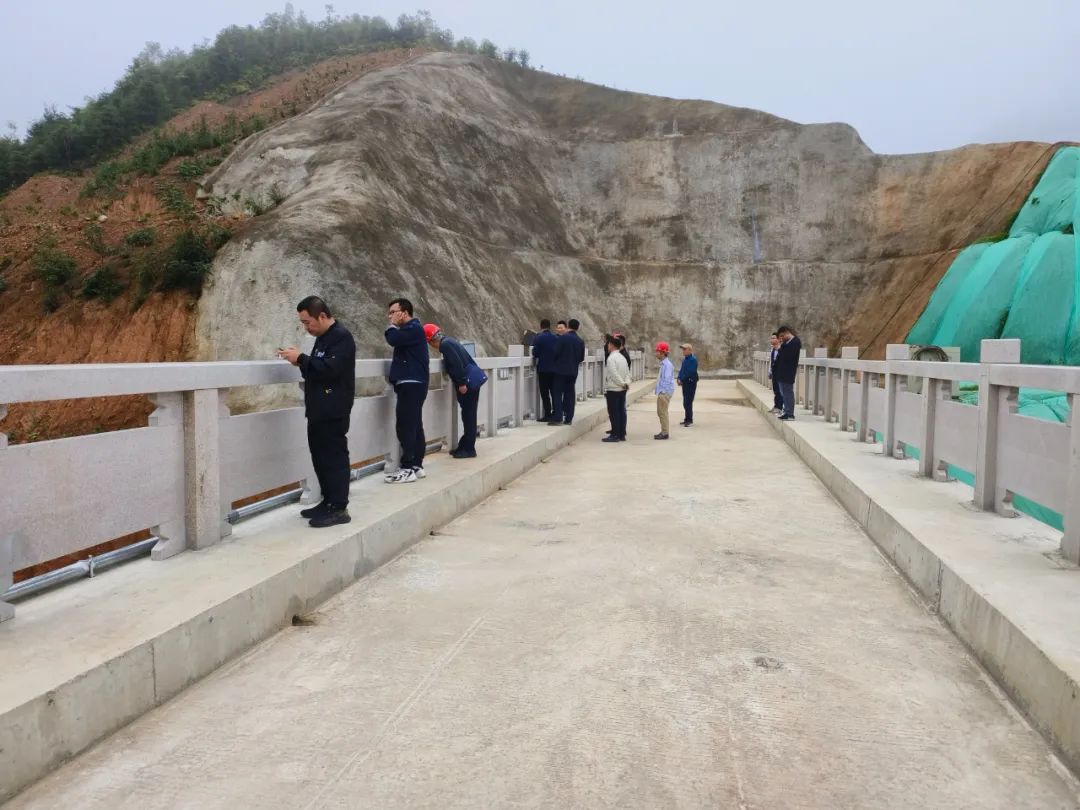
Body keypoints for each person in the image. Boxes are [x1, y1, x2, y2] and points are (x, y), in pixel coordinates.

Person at [277, 296, 356, 528]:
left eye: (307, 322)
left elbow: (331, 370)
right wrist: (301, 363)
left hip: (333, 409)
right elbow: (316, 371)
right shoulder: (323, 338)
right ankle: (328, 501)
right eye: (303, 323)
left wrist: (302, 358)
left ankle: (339, 508)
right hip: (318, 410)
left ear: (322, 316)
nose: (306, 327)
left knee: (334, 458)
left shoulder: (341, 337)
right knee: (320, 458)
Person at [424, 324, 488, 458]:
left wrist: (462, 383)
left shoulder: (445, 346)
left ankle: (469, 449)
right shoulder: (450, 341)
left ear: (432, 341)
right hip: (471, 380)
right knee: (469, 415)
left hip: (466, 384)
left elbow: (456, 365)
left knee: (468, 416)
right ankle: (464, 445)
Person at [384, 298, 429, 483]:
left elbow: (392, 339)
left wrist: (392, 326)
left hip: (411, 383)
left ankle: (407, 468)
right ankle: (417, 465)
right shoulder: (412, 330)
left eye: (393, 312)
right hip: (414, 383)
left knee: (406, 426)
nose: (390, 317)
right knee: (415, 425)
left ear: (404, 312)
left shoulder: (412, 329)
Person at [549, 318, 585, 426]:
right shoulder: (580, 341)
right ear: (578, 328)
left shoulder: (563, 338)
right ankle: (569, 419)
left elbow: (555, 352)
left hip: (560, 371)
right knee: (570, 395)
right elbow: (581, 358)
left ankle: (558, 418)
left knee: (557, 393)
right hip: (573, 371)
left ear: (568, 326)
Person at [602, 335, 631, 443]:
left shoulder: (611, 358)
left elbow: (614, 374)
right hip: (622, 389)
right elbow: (628, 373)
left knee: (614, 412)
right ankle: (621, 434)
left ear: (612, 345)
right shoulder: (622, 357)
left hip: (613, 389)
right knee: (621, 411)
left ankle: (615, 435)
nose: (607, 346)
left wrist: (622, 384)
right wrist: (626, 383)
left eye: (608, 344)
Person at [531, 319, 557, 422]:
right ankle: (556, 413)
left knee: (545, 393)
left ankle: (548, 414)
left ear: (541, 326)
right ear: (549, 326)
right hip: (555, 369)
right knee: (554, 392)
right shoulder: (556, 338)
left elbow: (535, 353)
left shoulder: (538, 338)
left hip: (543, 369)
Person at [774, 325, 802, 421]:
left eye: (782, 336)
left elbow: (788, 356)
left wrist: (780, 348)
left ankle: (790, 414)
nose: (781, 339)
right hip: (782, 372)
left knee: (788, 393)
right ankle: (786, 411)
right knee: (783, 393)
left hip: (788, 372)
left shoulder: (795, 342)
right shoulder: (787, 343)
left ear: (787, 332)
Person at [653, 341, 675, 440]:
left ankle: (665, 433)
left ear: (662, 353)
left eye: (657, 351)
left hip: (664, 392)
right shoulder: (664, 364)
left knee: (662, 412)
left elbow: (666, 380)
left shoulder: (667, 365)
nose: (656, 353)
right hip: (663, 392)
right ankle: (664, 431)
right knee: (661, 412)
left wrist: (662, 392)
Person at [677, 343, 699, 426]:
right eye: (683, 349)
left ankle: (689, 420)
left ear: (690, 350)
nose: (683, 351)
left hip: (690, 383)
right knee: (685, 402)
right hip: (685, 383)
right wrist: (679, 378)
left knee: (688, 402)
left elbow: (690, 372)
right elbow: (682, 370)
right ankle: (686, 419)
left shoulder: (693, 360)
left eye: (685, 349)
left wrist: (682, 379)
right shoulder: (685, 360)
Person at [768, 333, 783, 414]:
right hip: (774, 372)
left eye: (774, 338)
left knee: (780, 390)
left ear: (778, 339)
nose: (772, 340)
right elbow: (771, 361)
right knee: (775, 390)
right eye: (771, 338)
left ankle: (780, 407)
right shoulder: (772, 350)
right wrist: (770, 372)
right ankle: (776, 406)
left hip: (780, 373)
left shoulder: (781, 349)